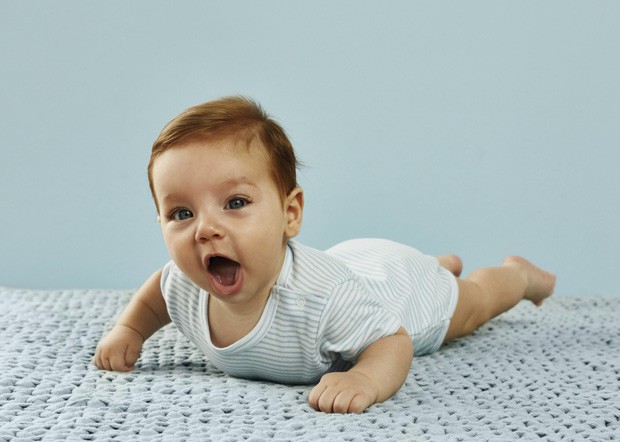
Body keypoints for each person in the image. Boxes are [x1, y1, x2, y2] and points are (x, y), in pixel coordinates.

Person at [93, 96, 556, 414]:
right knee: (409, 270)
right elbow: (157, 295)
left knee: (471, 301)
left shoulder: (323, 299)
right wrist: (130, 328)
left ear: (289, 214)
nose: (206, 229)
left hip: (400, 294)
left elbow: (391, 340)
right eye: (181, 212)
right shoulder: (183, 283)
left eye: (235, 203)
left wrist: (366, 381)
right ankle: (438, 263)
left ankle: (515, 276)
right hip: (356, 264)